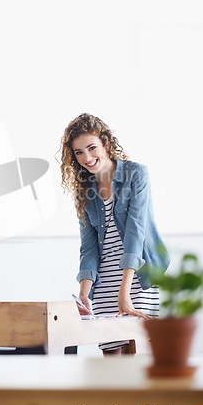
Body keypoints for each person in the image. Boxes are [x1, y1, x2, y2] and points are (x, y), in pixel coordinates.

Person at [60, 113, 169, 355]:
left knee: (136, 358)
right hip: (105, 281)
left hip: (138, 276)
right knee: (111, 362)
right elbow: (88, 247)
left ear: (106, 144)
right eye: (79, 152)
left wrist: (125, 292)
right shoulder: (84, 189)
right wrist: (84, 295)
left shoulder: (136, 174)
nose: (87, 158)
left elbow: (136, 233)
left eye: (91, 148)